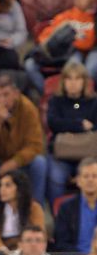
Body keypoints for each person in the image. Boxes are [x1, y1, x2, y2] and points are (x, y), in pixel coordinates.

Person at [0, 72, 47, 218]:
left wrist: (14, 162)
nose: (1, 100)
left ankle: (35, 214)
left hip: (20, 160)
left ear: (16, 94)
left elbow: (36, 145)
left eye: (6, 95)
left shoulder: (28, 109)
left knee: (40, 163)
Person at [23, 0, 97, 94]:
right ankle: (49, 95)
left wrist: (70, 40)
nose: (77, 0)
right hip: (55, 53)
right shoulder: (65, 16)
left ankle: (75, 96)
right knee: (29, 65)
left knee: (75, 65)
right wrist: (70, 40)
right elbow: (43, 38)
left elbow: (87, 44)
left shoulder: (93, 19)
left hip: (74, 55)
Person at [44, 62, 97, 205]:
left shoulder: (93, 102)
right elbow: (53, 123)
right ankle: (59, 217)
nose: (73, 83)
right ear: (63, 81)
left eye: (77, 79)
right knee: (56, 177)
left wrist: (67, 128)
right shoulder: (56, 101)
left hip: (88, 154)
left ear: (84, 82)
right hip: (62, 155)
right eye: (69, 79)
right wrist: (80, 125)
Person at [0, 170, 46, 255]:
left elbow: (38, 234)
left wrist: (19, 252)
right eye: (0, 185)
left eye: (8, 185)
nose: (2, 189)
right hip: (2, 253)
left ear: (20, 189)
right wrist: (6, 252)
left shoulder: (34, 208)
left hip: (26, 249)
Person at [53, 156, 97, 255]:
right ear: (78, 181)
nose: (90, 180)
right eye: (86, 176)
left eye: (94, 176)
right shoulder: (66, 207)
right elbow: (61, 242)